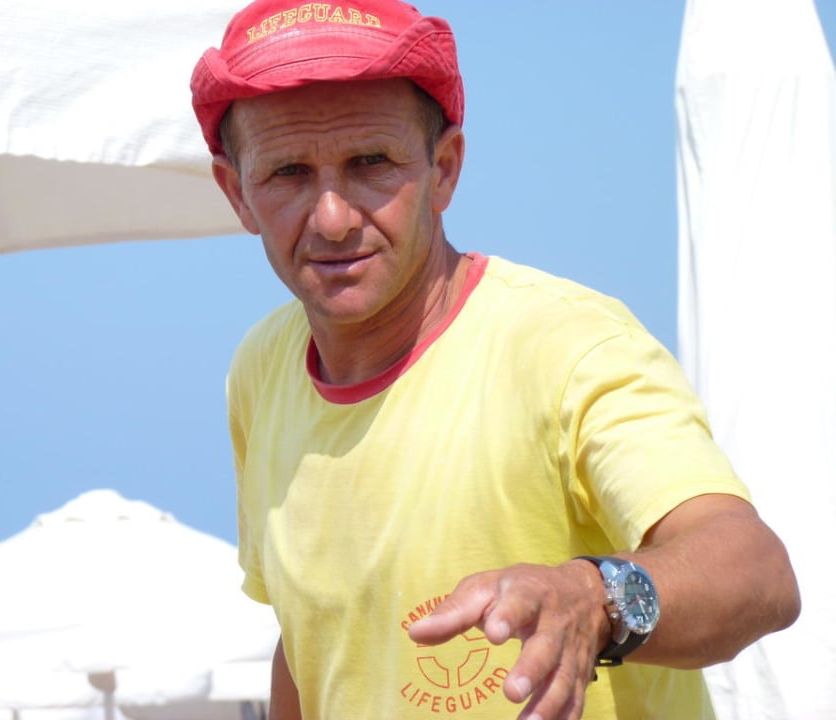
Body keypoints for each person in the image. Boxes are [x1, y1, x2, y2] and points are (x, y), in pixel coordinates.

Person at [189, 1, 801, 718]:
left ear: (444, 169)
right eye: (289, 172)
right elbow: (309, 643)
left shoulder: (567, 345)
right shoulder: (262, 371)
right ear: (237, 193)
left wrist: (594, 597)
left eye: (370, 164)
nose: (332, 218)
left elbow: (756, 573)